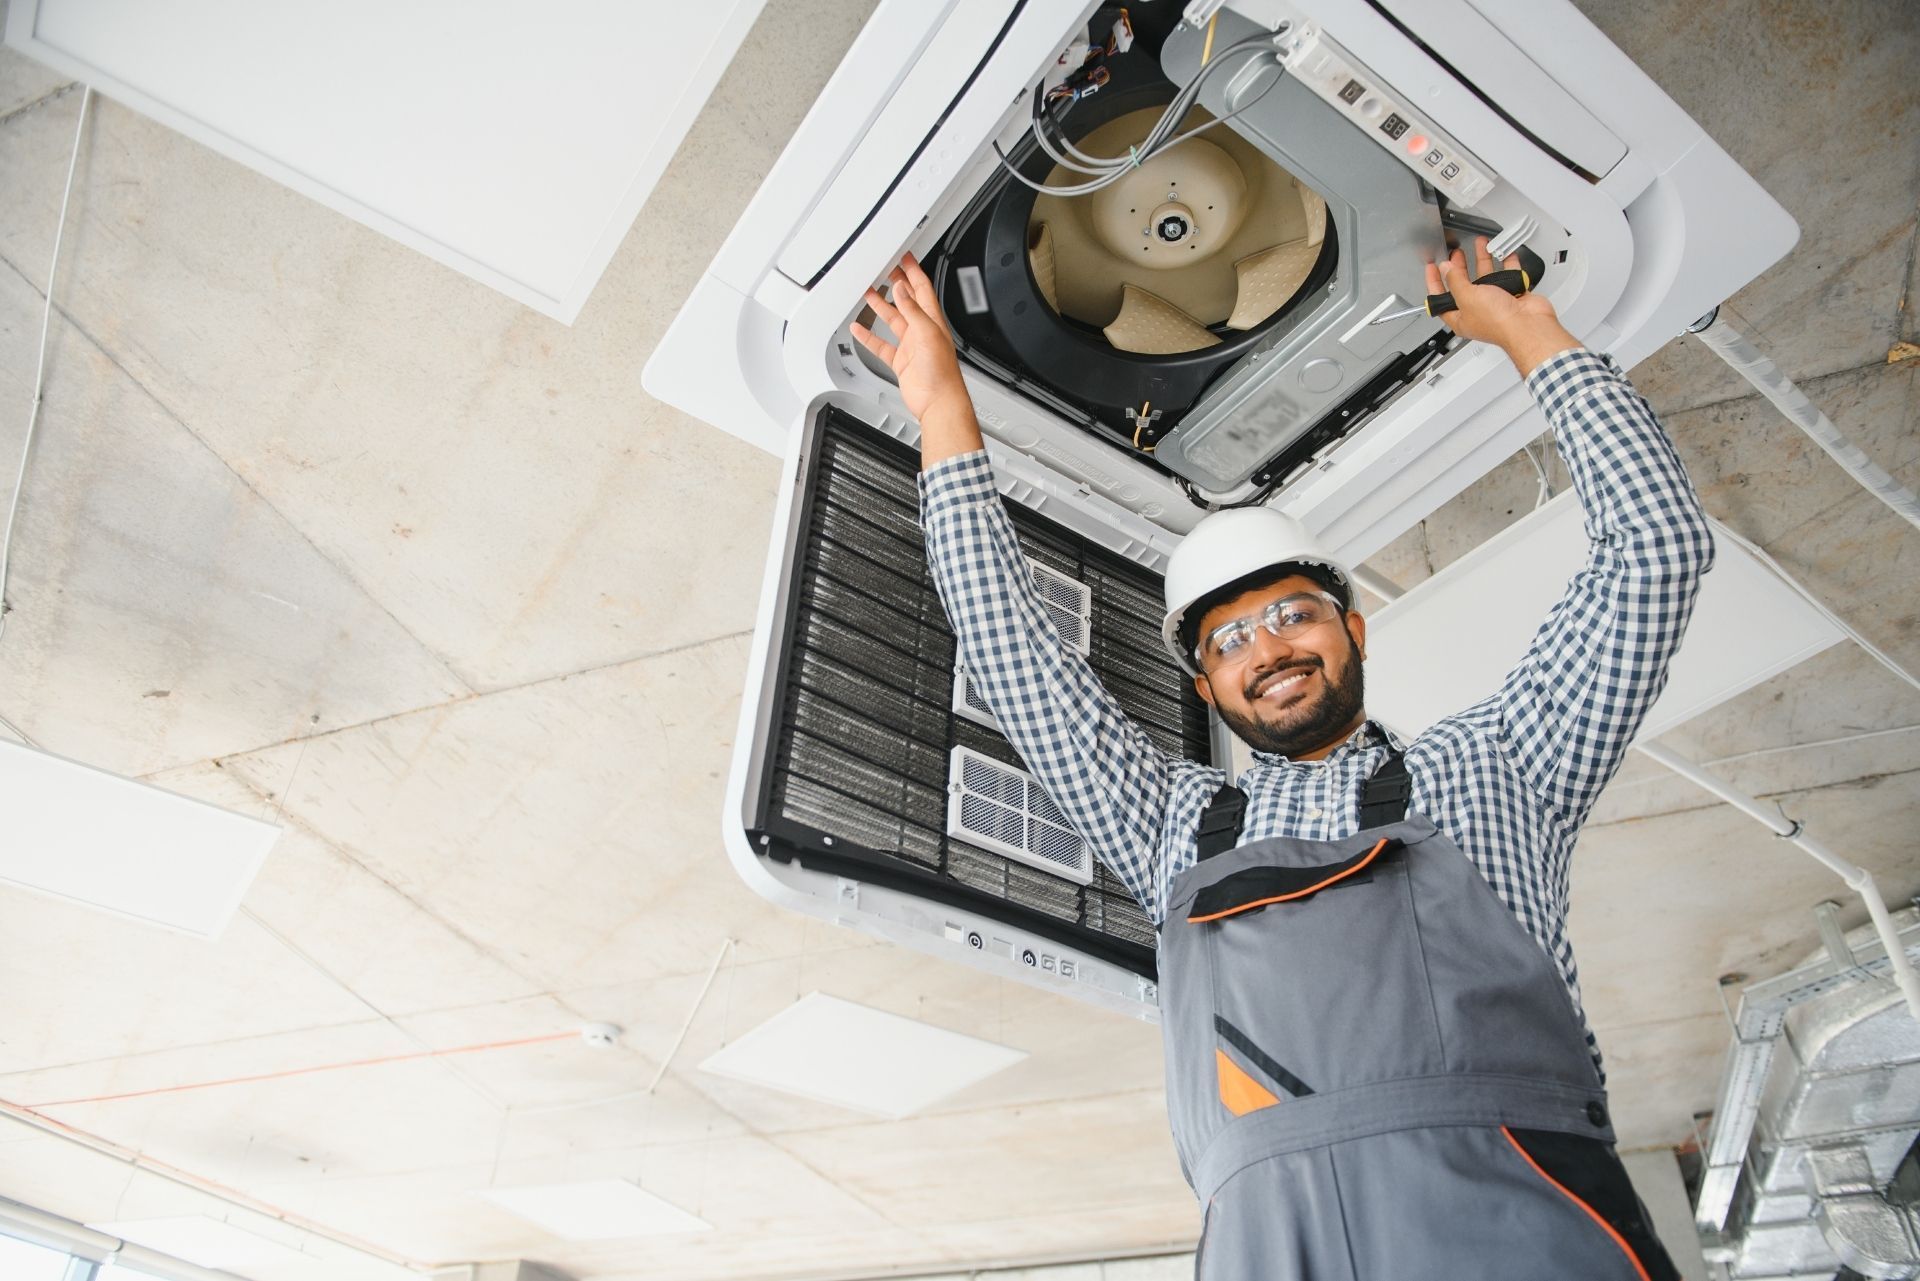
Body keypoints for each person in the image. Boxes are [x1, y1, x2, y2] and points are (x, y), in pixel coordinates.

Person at [852, 238, 1706, 1279]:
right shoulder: (1173, 827)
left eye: (1293, 614)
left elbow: (1656, 550)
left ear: (1353, 630)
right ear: (1205, 689)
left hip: (1516, 1212)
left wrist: (1533, 336)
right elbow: (1011, 653)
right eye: (1228, 642)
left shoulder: (1500, 763)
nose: (1267, 650)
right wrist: (943, 408)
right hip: (1271, 1245)